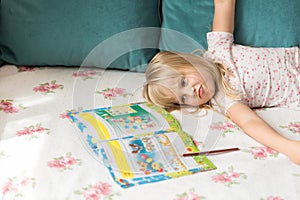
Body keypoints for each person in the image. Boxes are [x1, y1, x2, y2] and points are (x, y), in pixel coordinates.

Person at [143, 0, 300, 165]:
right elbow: (249, 122)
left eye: (183, 82)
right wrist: (289, 148)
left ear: (187, 61)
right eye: (182, 98)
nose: (190, 92)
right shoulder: (223, 99)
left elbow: (224, 4)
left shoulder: (217, 48)